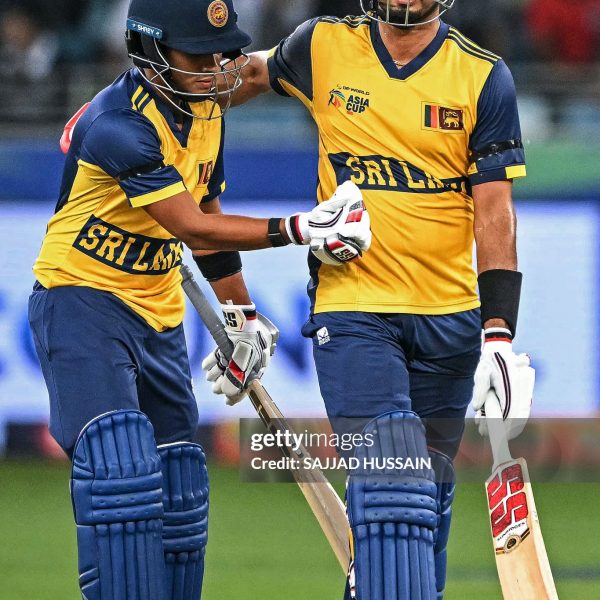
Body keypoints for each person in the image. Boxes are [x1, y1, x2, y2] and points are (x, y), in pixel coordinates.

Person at [27, 0, 371, 599]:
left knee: (181, 488)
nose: (215, 69)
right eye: (198, 56)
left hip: (158, 309)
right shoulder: (120, 126)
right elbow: (190, 225)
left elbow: (207, 217)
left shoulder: (205, 107)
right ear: (150, 50)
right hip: (81, 302)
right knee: (121, 470)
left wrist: (242, 314)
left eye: (220, 54)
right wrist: (301, 228)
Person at [207, 1, 534, 598]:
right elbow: (241, 76)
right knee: (391, 475)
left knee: (424, 504)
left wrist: (498, 337)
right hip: (353, 307)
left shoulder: (483, 76)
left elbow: (494, 214)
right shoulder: (322, 45)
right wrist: (151, 97)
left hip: (450, 321)